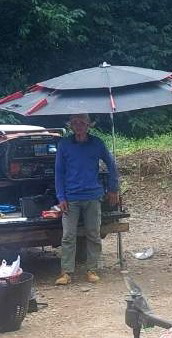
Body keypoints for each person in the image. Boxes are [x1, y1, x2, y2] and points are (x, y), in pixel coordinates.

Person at [54, 113, 120, 285]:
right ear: (70, 125)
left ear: (89, 125)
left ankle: (92, 269)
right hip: (71, 197)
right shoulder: (64, 144)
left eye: (82, 122)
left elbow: (112, 165)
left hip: (92, 195)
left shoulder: (97, 143)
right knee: (68, 235)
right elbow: (59, 172)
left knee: (93, 234)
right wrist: (61, 197)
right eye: (75, 123)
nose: (78, 126)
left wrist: (113, 188)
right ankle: (66, 272)